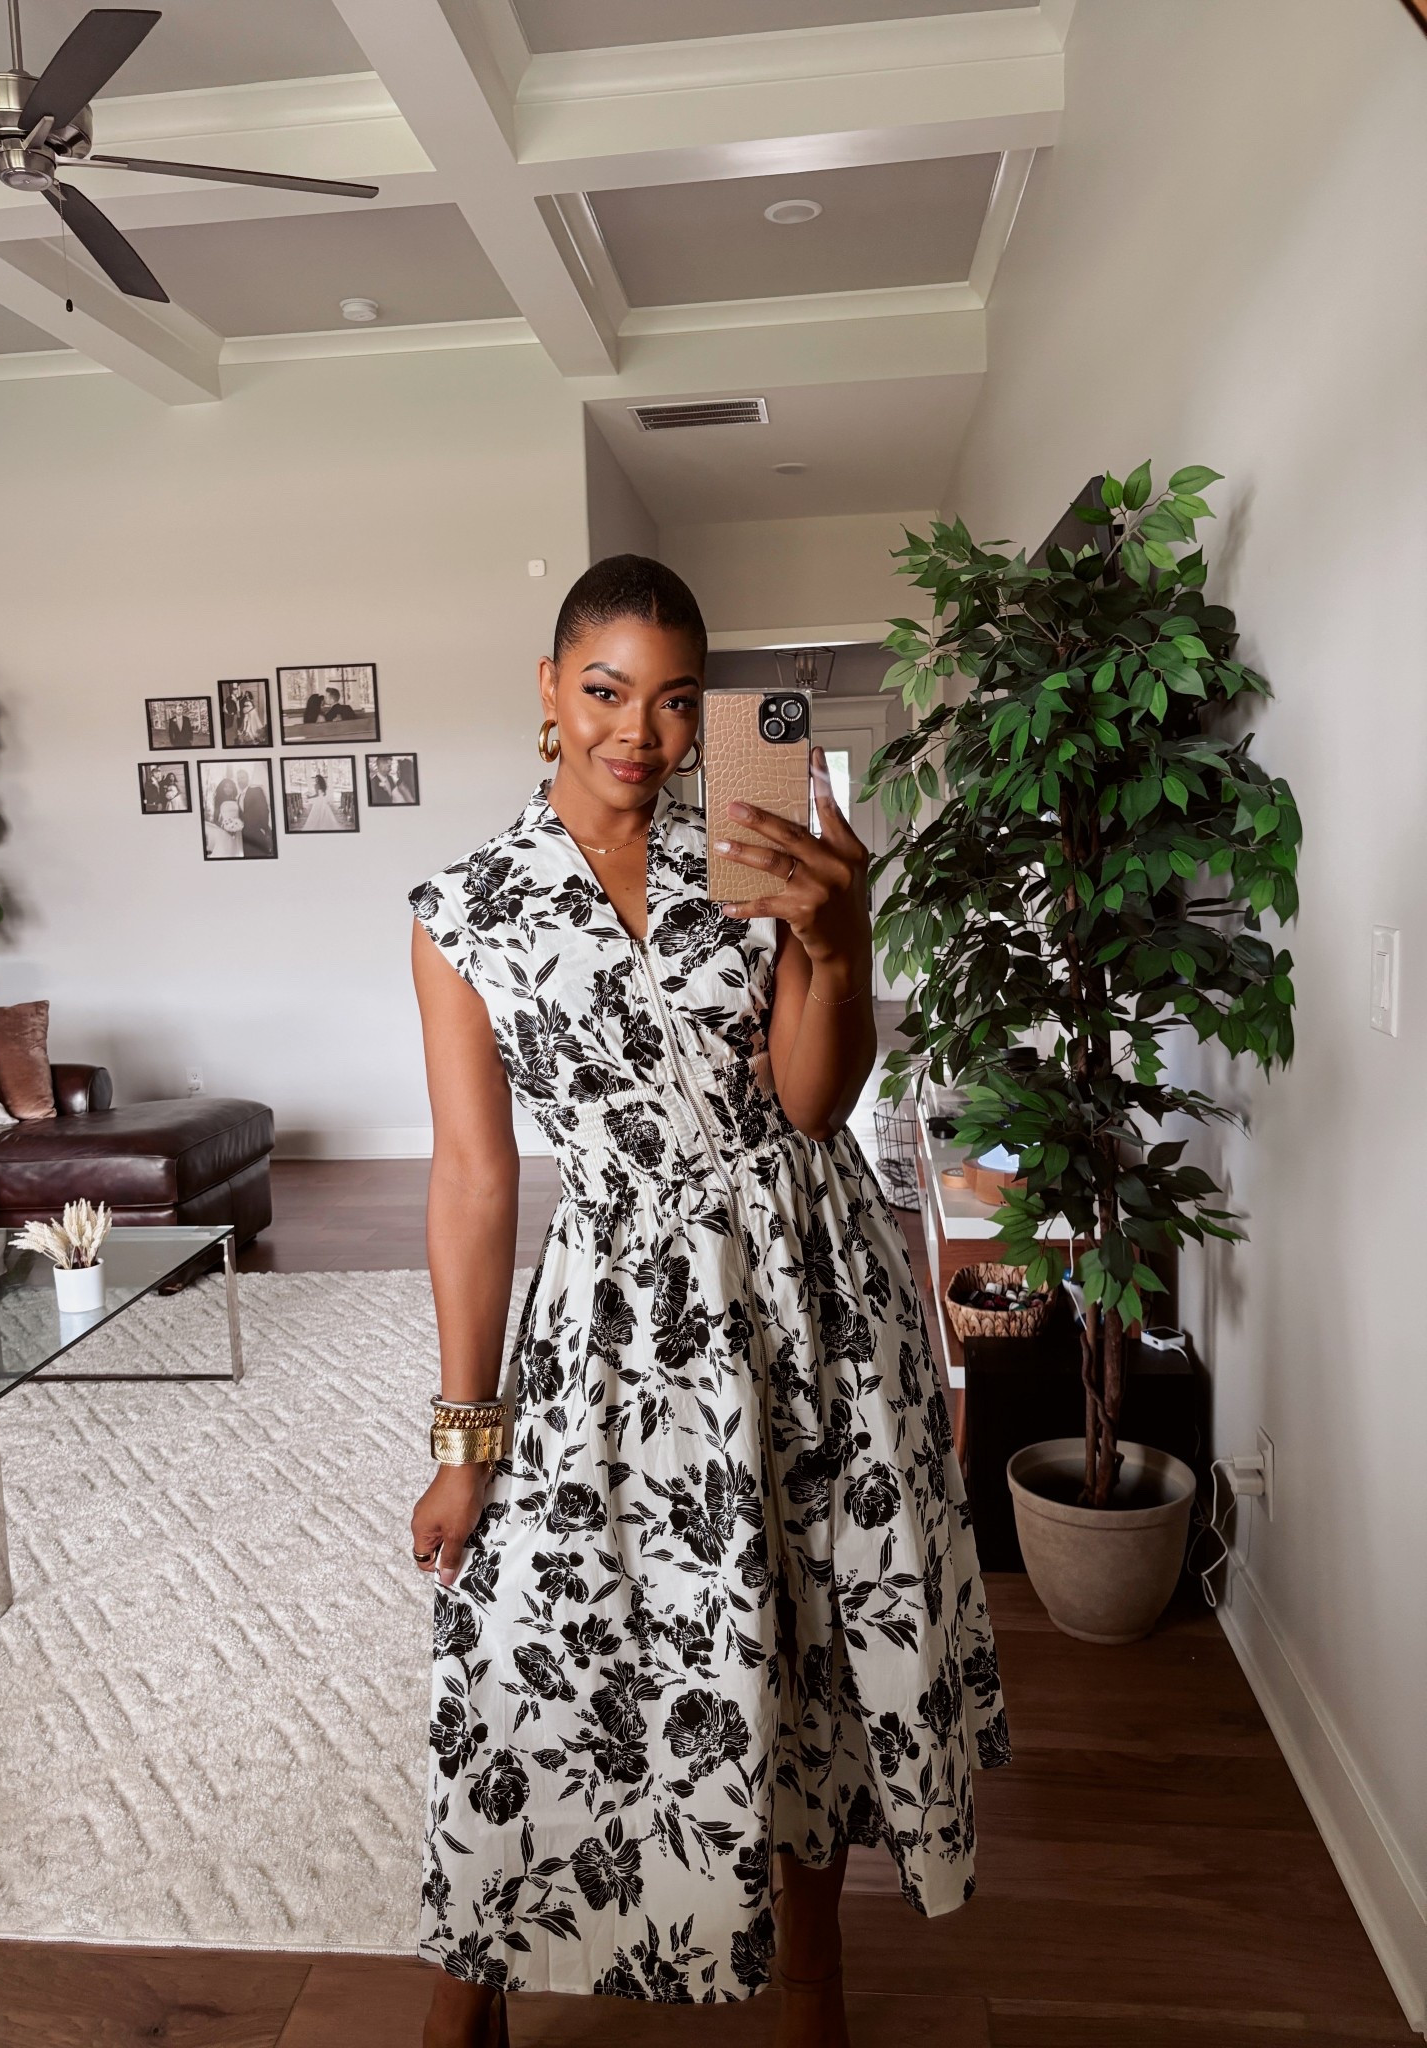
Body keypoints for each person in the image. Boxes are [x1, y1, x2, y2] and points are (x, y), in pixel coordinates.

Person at [407, 556, 1010, 2048]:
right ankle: (469, 1984)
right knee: (535, 1648)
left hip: (806, 1303)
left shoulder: (747, 853)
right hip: (613, 1321)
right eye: (607, 692)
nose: (644, 733)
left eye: (679, 702)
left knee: (802, 1641)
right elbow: (477, 1185)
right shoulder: (464, 913)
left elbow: (811, 1104)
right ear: (549, 693)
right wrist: (464, 1434)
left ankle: (814, 1984)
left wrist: (837, 939)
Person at [236, 765, 272, 856]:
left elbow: (264, 810)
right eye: (238, 778)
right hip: (245, 835)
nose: (240, 780)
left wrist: (263, 828)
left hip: (258, 832)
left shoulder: (256, 790)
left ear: (247, 778)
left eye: (242, 777)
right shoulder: (239, 797)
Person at [205, 776, 243, 857]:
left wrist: (237, 826)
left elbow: (240, 816)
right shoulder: (219, 800)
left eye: (230, 787)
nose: (228, 789)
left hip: (237, 832)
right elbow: (215, 820)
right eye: (225, 786)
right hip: (225, 831)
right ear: (222, 788)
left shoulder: (236, 800)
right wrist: (226, 828)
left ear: (233, 789)